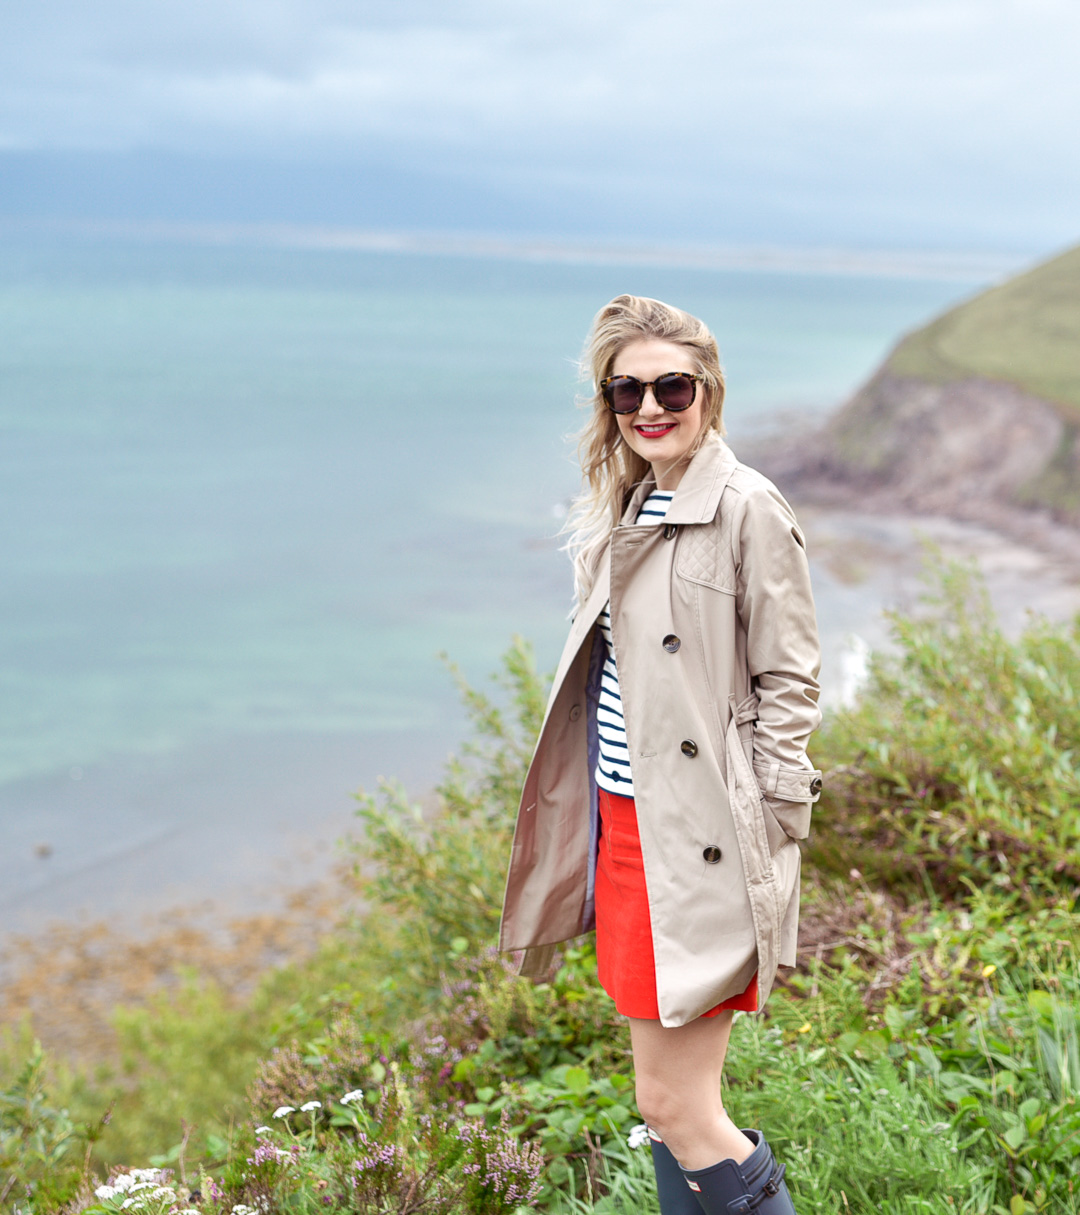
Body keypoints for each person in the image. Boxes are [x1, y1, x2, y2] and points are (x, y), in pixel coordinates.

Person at [499, 295, 823, 1214]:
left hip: (701, 834)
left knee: (678, 1104)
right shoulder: (631, 501)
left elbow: (791, 684)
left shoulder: (748, 508)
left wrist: (772, 825)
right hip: (624, 825)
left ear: (708, 392)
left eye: (670, 386)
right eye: (625, 390)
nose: (649, 407)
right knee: (667, 1103)